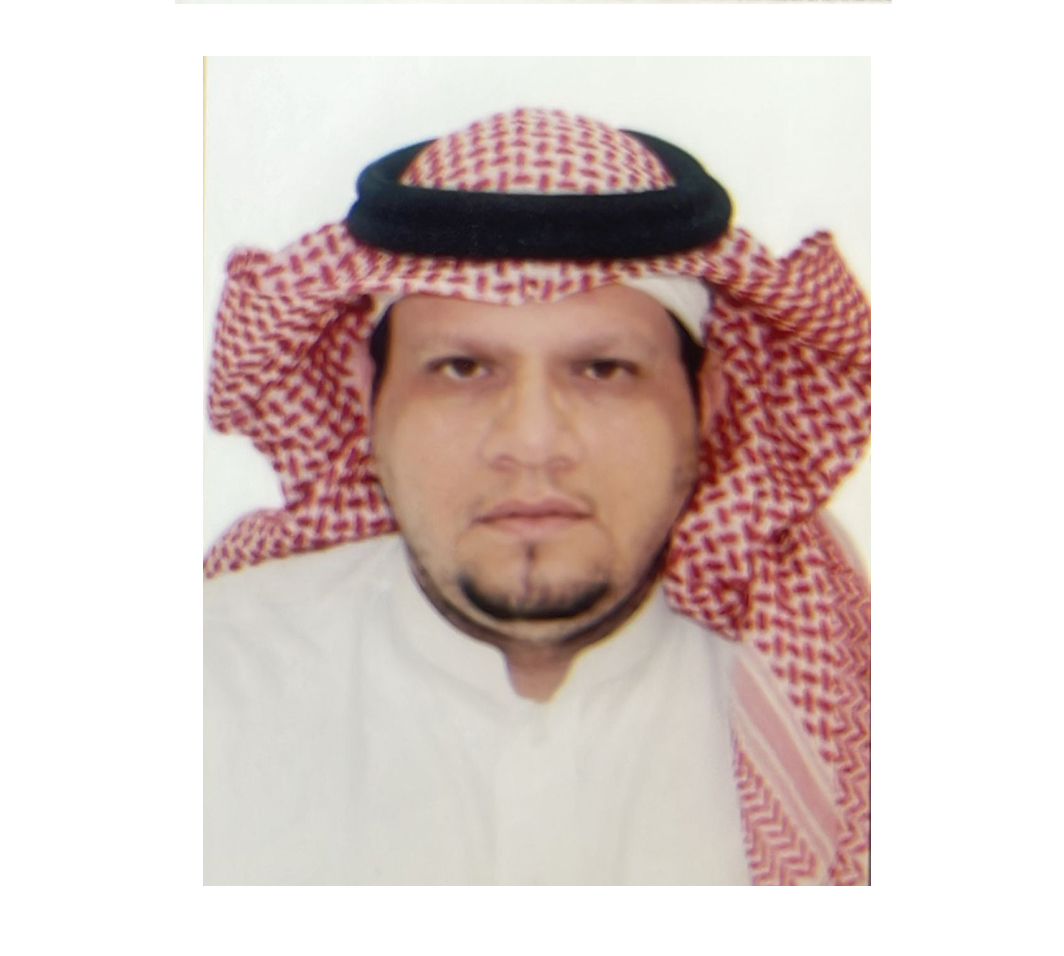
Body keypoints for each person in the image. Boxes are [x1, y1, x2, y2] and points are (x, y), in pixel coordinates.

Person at [203, 108, 870, 885]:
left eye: (603, 371)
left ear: (709, 403)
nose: (530, 442)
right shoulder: (209, 685)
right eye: (461, 368)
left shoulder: (844, 713)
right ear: (365, 399)